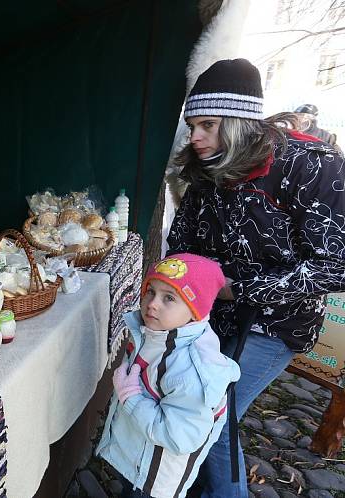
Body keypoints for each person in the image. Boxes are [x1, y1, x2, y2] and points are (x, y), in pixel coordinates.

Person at [169, 59, 345, 497]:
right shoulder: (206, 166)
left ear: (239, 122)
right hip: (210, 314)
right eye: (192, 125)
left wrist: (240, 288)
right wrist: (170, 289)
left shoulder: (311, 167)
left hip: (278, 322)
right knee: (193, 406)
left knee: (216, 411)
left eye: (208, 124)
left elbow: (336, 265)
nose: (195, 137)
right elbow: (183, 245)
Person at [96, 253, 241, 498]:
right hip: (135, 459)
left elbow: (179, 437)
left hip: (154, 479)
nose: (152, 303)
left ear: (195, 311)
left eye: (169, 298)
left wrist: (130, 398)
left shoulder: (192, 372)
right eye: (150, 291)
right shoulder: (154, 332)